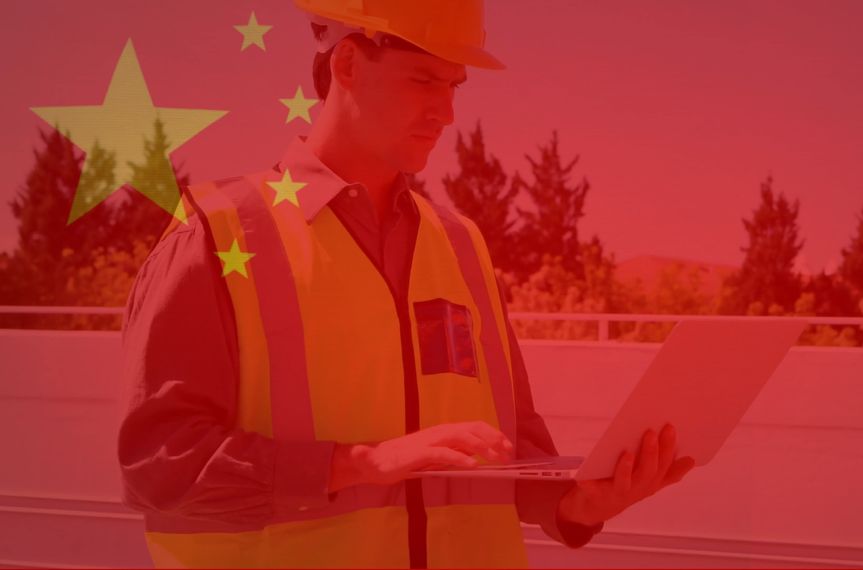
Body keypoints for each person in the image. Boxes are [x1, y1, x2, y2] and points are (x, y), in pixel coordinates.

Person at [117, 0, 695, 567]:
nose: (445, 112)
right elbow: (160, 465)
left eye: (455, 86)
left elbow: (511, 447)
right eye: (423, 80)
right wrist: (360, 463)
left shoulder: (462, 244)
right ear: (346, 65)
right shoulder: (219, 232)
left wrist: (577, 501)